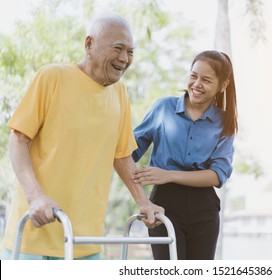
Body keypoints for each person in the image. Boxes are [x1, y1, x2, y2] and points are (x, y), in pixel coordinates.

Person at [3, 13, 163, 260]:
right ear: (89, 44)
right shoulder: (53, 77)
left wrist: (143, 201)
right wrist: (35, 197)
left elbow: (121, 156)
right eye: (118, 48)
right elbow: (18, 140)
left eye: (130, 51)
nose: (124, 58)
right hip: (35, 236)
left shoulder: (119, 94)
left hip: (85, 241)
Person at [131, 50, 238, 260]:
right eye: (193, 75)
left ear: (222, 86)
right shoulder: (163, 108)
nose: (197, 84)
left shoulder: (224, 122)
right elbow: (127, 152)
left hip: (204, 210)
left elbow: (218, 175)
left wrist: (168, 174)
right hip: (163, 205)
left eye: (206, 80)